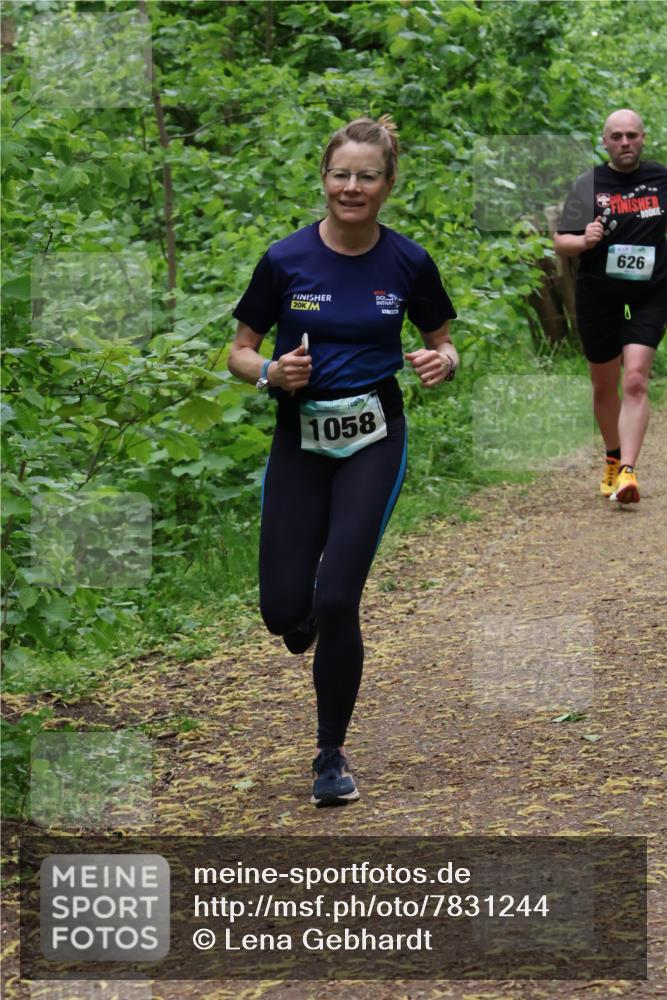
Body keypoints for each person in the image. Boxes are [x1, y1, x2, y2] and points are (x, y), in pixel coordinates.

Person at [228, 115, 458, 806]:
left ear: (388, 185)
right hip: (299, 438)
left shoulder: (407, 263)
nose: (350, 188)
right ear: (324, 179)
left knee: (337, 598)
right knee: (281, 612)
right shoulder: (285, 259)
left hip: (371, 437)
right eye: (340, 175)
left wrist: (438, 361)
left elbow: (442, 341)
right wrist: (270, 372)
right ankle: (300, 619)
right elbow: (239, 349)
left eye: (365, 177)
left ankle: (329, 755)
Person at [554, 108, 667, 503]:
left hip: (649, 294)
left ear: (643, 137)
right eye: (616, 136)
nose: (624, 143)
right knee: (604, 385)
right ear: (605, 141)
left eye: (632, 136)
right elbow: (559, 242)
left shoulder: (661, 179)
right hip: (598, 294)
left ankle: (628, 473)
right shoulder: (588, 185)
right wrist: (583, 241)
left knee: (635, 378)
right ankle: (613, 457)